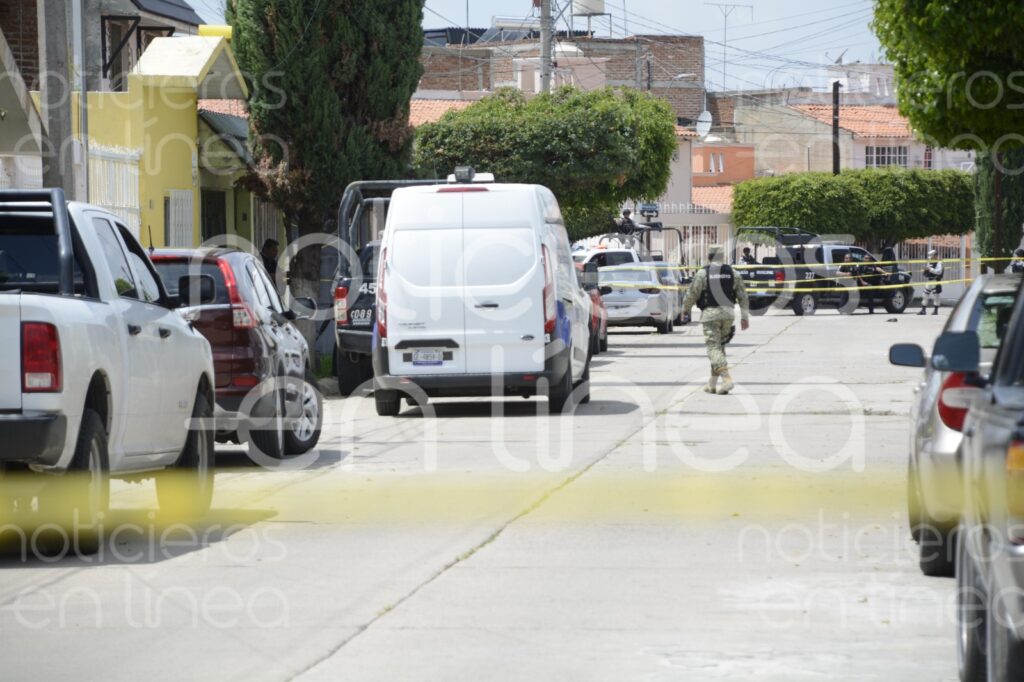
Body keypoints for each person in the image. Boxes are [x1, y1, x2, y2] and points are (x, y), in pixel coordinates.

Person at [681, 246, 750, 395]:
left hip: (711, 314)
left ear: (709, 257)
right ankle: (712, 384)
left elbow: (692, 293)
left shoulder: (703, 273)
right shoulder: (733, 273)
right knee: (720, 348)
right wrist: (744, 317)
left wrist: (685, 309)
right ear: (722, 257)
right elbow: (743, 296)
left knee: (713, 348)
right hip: (728, 314)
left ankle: (727, 380)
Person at [919, 249, 943, 315]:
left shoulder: (939, 263)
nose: (930, 257)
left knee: (936, 296)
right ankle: (923, 310)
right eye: (930, 256)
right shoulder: (929, 262)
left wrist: (929, 269)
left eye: (931, 255)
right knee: (925, 295)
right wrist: (925, 270)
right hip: (929, 281)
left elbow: (938, 272)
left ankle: (936, 310)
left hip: (935, 281)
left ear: (935, 256)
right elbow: (927, 270)